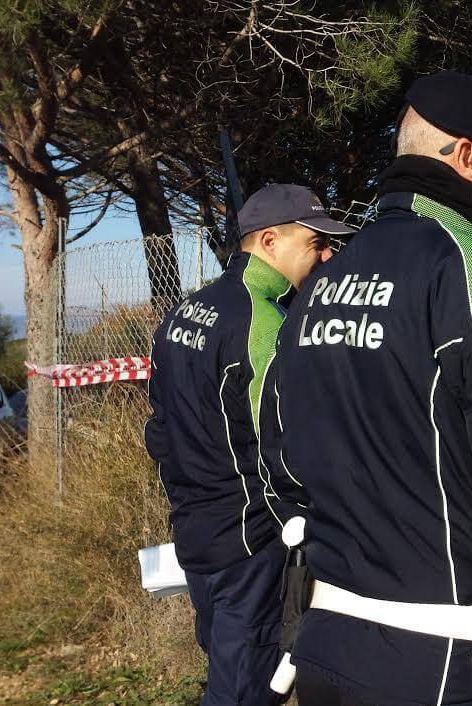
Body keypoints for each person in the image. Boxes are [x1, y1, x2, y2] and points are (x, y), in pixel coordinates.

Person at [263, 70, 472, 706]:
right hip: (450, 656)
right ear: (468, 156)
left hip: (326, 639)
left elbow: (280, 459)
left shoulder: (321, 284)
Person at [144, 183, 353, 706]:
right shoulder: (265, 322)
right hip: (250, 543)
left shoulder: (183, 314)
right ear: (268, 241)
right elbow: (286, 447)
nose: (326, 256)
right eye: (315, 244)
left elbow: (159, 429)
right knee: (245, 690)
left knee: (224, 668)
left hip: (195, 532)